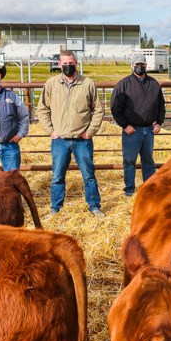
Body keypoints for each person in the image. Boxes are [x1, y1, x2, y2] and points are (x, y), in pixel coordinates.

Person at [37, 49, 105, 217]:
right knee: (58, 175)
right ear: (59, 64)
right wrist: (50, 131)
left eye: (71, 63)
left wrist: (90, 132)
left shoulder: (87, 83)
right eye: (64, 63)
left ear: (76, 63)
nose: (68, 66)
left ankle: (94, 205)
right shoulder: (51, 84)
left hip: (82, 139)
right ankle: (56, 208)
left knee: (89, 175)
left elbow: (98, 109)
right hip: (60, 140)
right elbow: (42, 109)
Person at [110, 53, 166, 196]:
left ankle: (149, 188)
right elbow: (115, 107)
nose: (140, 67)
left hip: (149, 129)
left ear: (146, 66)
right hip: (132, 130)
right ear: (132, 66)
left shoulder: (154, 84)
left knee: (148, 160)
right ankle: (129, 189)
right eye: (137, 65)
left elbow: (161, 105)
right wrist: (124, 125)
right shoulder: (123, 85)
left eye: (142, 65)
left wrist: (159, 122)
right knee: (129, 160)